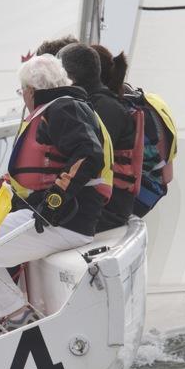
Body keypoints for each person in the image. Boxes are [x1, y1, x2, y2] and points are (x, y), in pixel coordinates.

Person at [0, 54, 110, 341]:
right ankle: (15, 315)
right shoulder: (59, 108)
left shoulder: (63, 109)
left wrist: (54, 202)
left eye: (21, 91)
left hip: (64, 221)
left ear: (31, 90)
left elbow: (89, 154)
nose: (22, 97)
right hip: (57, 219)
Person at [58, 43, 138, 231]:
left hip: (105, 210)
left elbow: (89, 161)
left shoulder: (105, 108)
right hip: (90, 203)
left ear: (69, 77)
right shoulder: (91, 104)